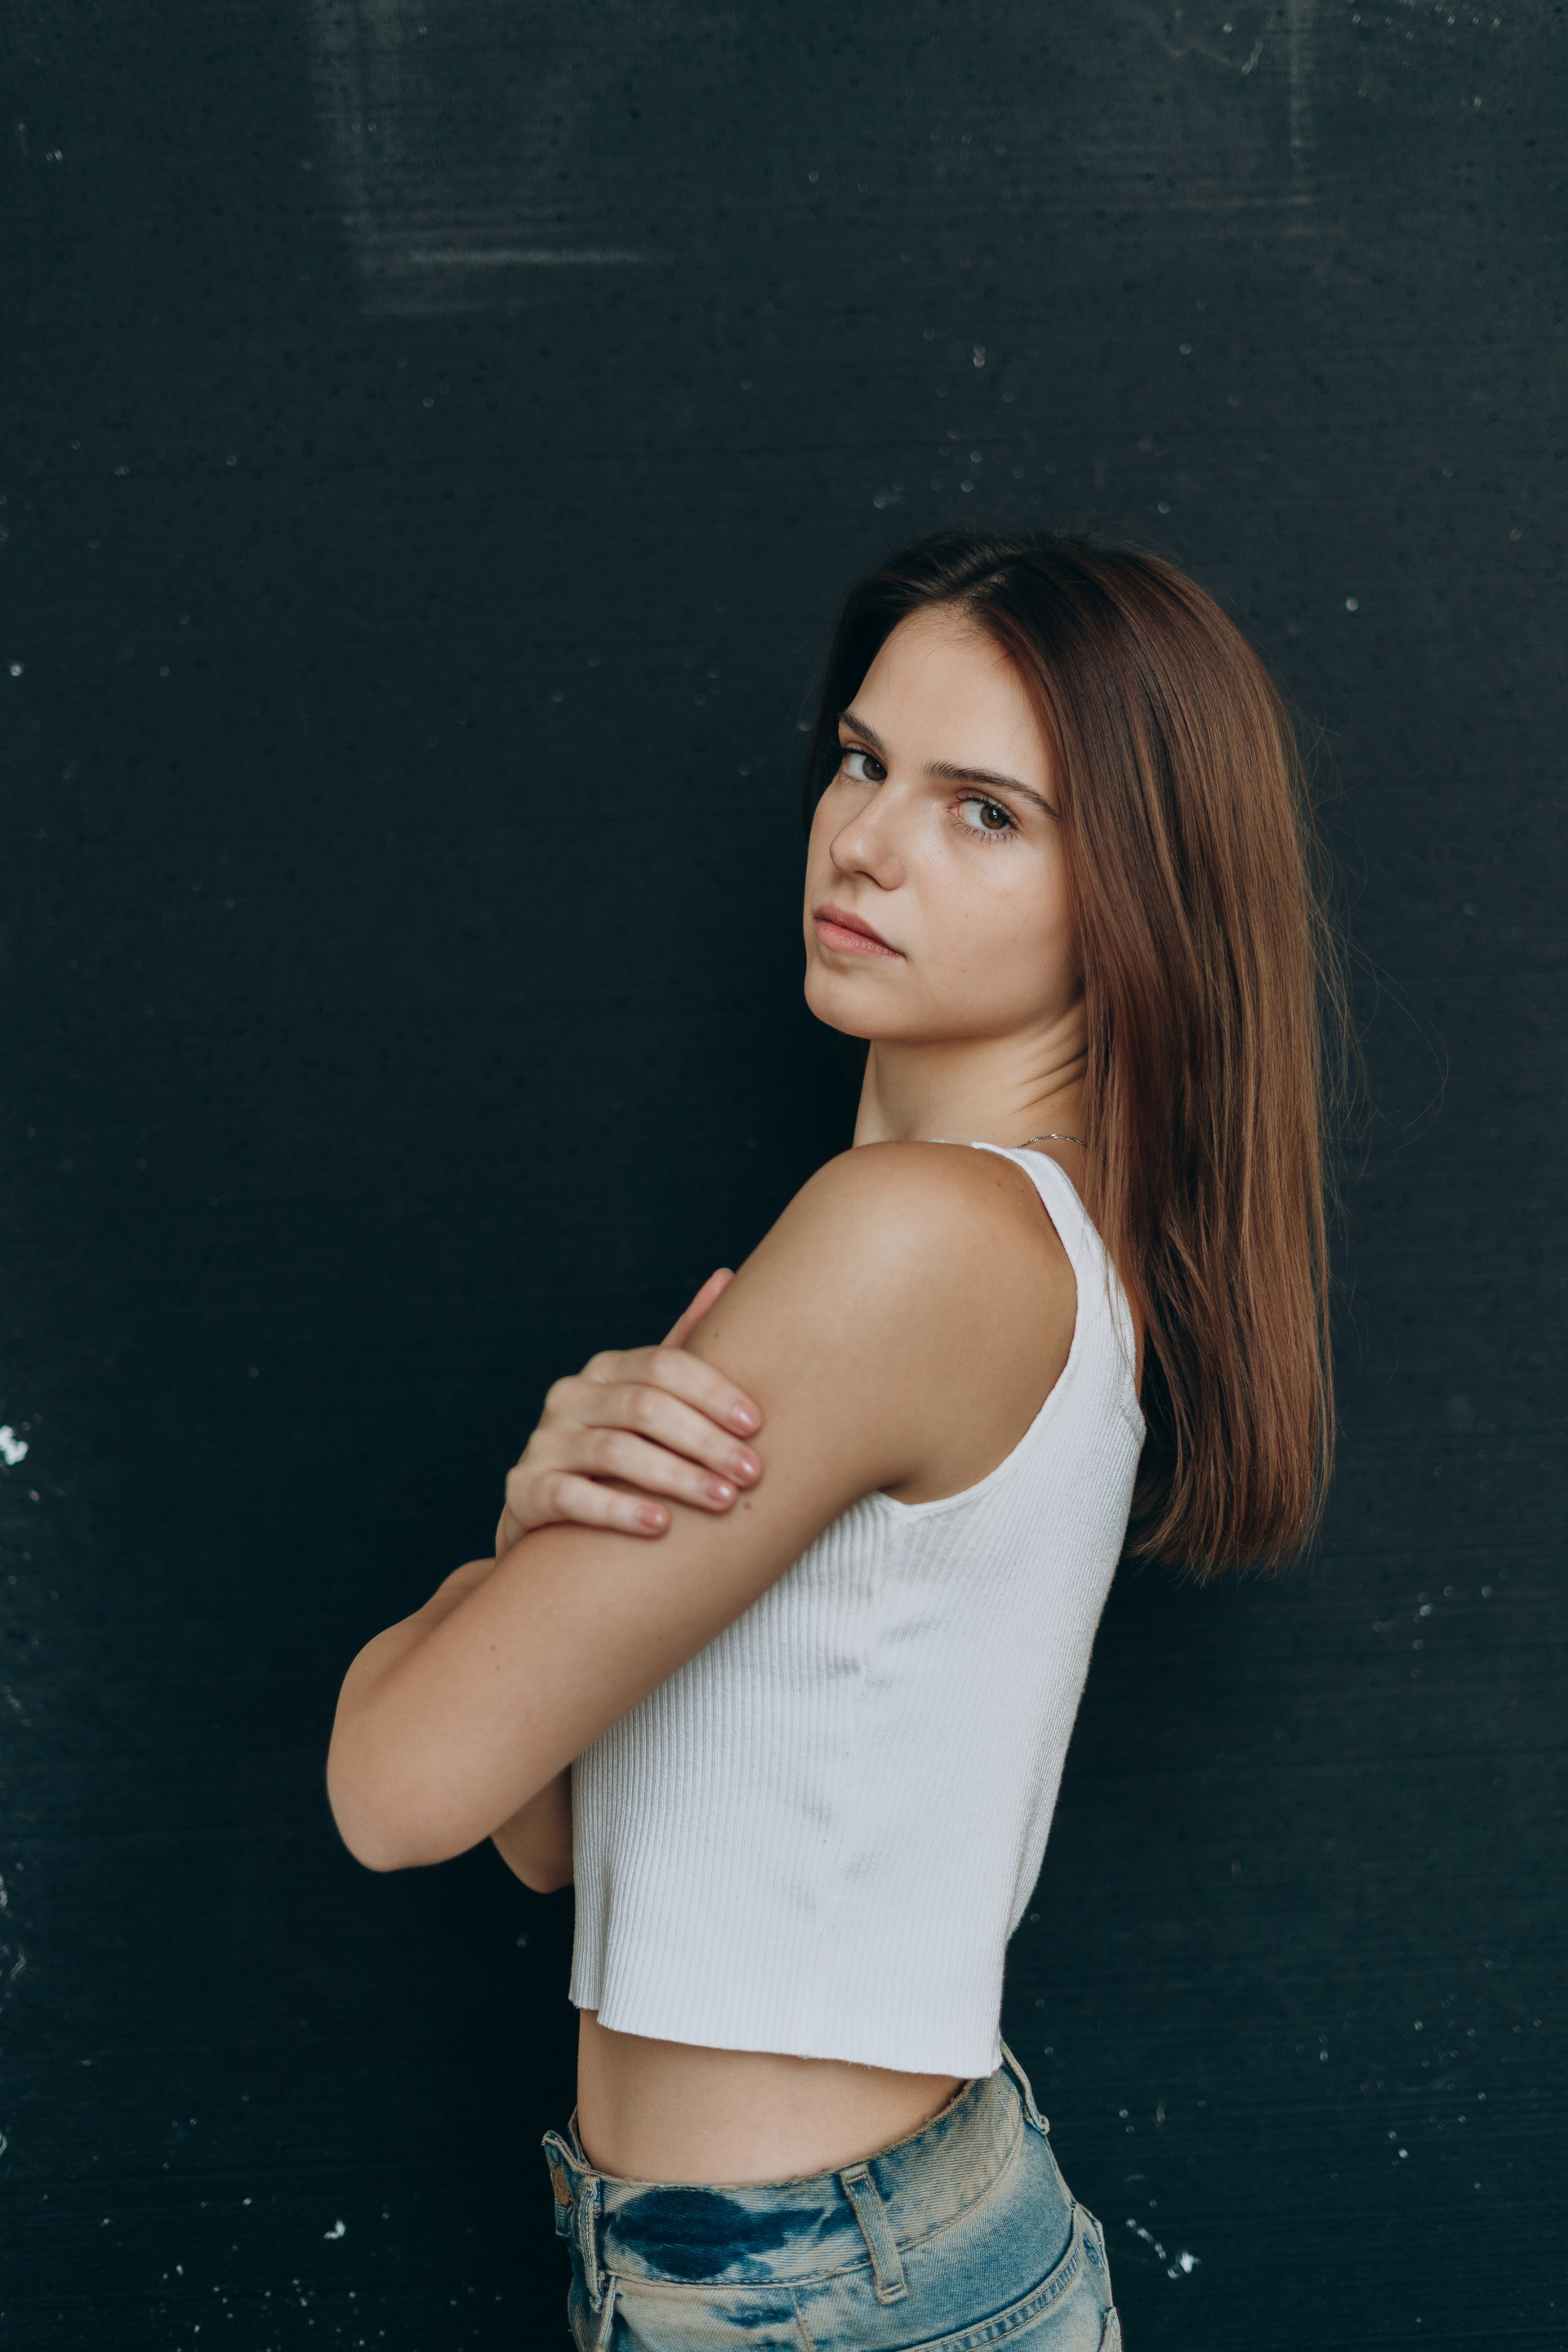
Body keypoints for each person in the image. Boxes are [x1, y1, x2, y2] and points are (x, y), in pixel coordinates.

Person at [327, 528, 1339, 2349]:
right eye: (864, 763)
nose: (864, 841)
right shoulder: (997, 1240)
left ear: (1142, 891)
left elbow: (395, 1787)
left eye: (986, 812)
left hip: (829, 2293)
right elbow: (551, 1836)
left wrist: (499, 1580)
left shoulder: (918, 1243)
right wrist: (538, 1533)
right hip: (803, 2264)